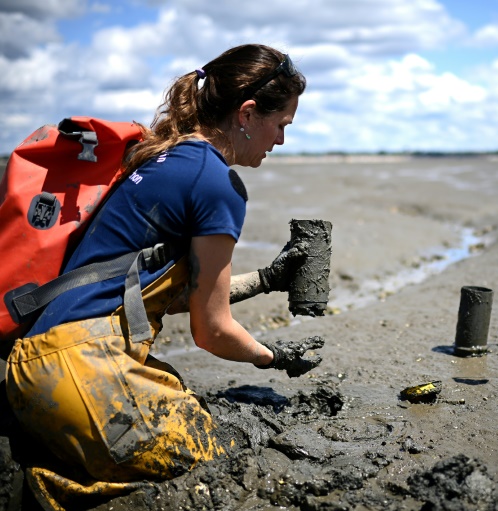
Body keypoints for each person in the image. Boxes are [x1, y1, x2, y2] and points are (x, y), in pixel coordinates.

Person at [3, 43, 325, 510]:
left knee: (180, 399)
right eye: (282, 126)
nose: (280, 141)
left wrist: (271, 278)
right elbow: (211, 331)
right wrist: (272, 358)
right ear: (248, 114)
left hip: (36, 364)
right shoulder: (217, 184)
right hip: (81, 371)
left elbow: (177, 298)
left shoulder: (167, 157)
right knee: (210, 461)